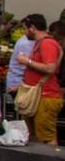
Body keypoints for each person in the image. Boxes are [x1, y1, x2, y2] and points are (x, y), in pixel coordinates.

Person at [16, 14, 62, 144]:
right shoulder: (40, 43)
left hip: (46, 95)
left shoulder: (47, 44)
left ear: (33, 28)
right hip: (39, 95)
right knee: (35, 136)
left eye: (25, 28)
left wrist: (27, 61)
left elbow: (50, 68)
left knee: (46, 137)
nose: (24, 32)